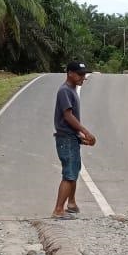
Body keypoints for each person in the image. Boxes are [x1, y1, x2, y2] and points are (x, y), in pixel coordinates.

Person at [52, 61, 96, 219]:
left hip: (71, 137)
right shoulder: (65, 91)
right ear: (69, 73)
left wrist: (79, 137)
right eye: (79, 74)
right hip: (66, 138)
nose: (82, 78)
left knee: (74, 170)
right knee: (69, 174)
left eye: (84, 75)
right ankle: (58, 210)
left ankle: (71, 203)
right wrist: (85, 131)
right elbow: (67, 115)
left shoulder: (72, 90)